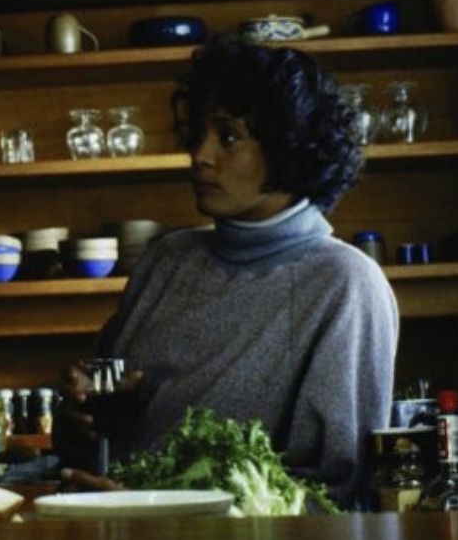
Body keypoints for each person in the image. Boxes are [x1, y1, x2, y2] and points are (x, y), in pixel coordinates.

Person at [53, 35, 398, 509]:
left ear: (290, 147)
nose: (200, 155)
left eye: (228, 136)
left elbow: (334, 494)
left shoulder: (345, 283)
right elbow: (94, 431)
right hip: (114, 531)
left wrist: (158, 510)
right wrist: (76, 419)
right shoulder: (166, 259)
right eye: (197, 135)